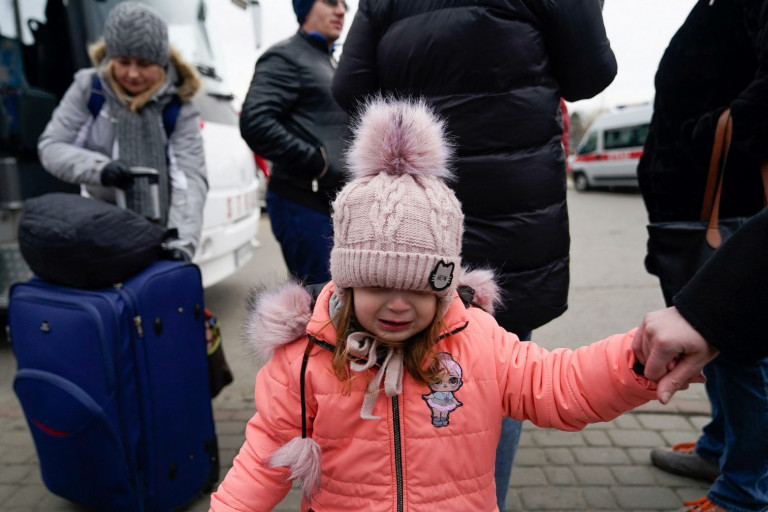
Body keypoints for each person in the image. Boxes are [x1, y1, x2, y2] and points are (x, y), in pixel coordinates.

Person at [209, 99, 658, 512]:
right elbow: (263, 456)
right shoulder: (307, 356)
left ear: (444, 287)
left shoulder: (477, 341)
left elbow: (560, 383)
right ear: (346, 283)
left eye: (421, 289)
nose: (399, 305)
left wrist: (639, 358)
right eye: (378, 285)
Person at [330, 1, 616, 508]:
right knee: (497, 368)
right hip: (511, 200)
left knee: (400, 344)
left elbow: (350, 86)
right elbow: (591, 70)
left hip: (413, 207)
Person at [636, 1, 768, 510]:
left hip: (727, 206)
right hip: (690, 208)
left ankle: (743, 490)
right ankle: (719, 447)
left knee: (740, 354)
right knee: (709, 339)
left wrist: (709, 133)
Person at [38, 1, 207, 262]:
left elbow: (189, 179)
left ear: (161, 62)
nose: (132, 73)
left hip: (159, 233)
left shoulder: (178, 106)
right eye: (123, 61)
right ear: (110, 58)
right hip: (98, 231)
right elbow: (51, 146)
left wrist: (181, 242)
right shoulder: (89, 89)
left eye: (143, 63)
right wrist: (100, 169)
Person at [238, 0, 349, 286]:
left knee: (337, 302)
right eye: (331, 2)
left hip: (327, 203)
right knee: (322, 304)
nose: (341, 11)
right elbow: (256, 121)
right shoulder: (285, 57)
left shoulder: (328, 59)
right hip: (300, 201)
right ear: (305, 8)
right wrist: (316, 161)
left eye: (344, 4)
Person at [634, 206, 768, 403]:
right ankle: (718, 432)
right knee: (709, 359)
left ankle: (746, 434)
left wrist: (706, 310)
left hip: (730, 247)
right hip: (702, 248)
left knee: (741, 372)